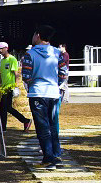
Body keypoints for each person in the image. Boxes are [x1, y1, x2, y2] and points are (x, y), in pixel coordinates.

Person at [22, 25, 68, 168]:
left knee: (42, 127)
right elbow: (63, 74)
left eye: (34, 34)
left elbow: (26, 76)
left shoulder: (30, 54)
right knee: (53, 125)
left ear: (38, 35)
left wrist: (33, 82)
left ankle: (48, 158)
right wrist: (55, 83)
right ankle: (56, 155)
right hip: (53, 93)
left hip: (38, 93)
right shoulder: (57, 53)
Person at [0, 42, 31, 132]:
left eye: (1, 48)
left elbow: (16, 74)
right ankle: (24, 121)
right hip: (3, 88)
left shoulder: (12, 59)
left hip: (9, 87)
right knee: (5, 108)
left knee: (4, 107)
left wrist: (15, 86)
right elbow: (1, 75)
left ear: (6, 48)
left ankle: (4, 127)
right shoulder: (2, 61)